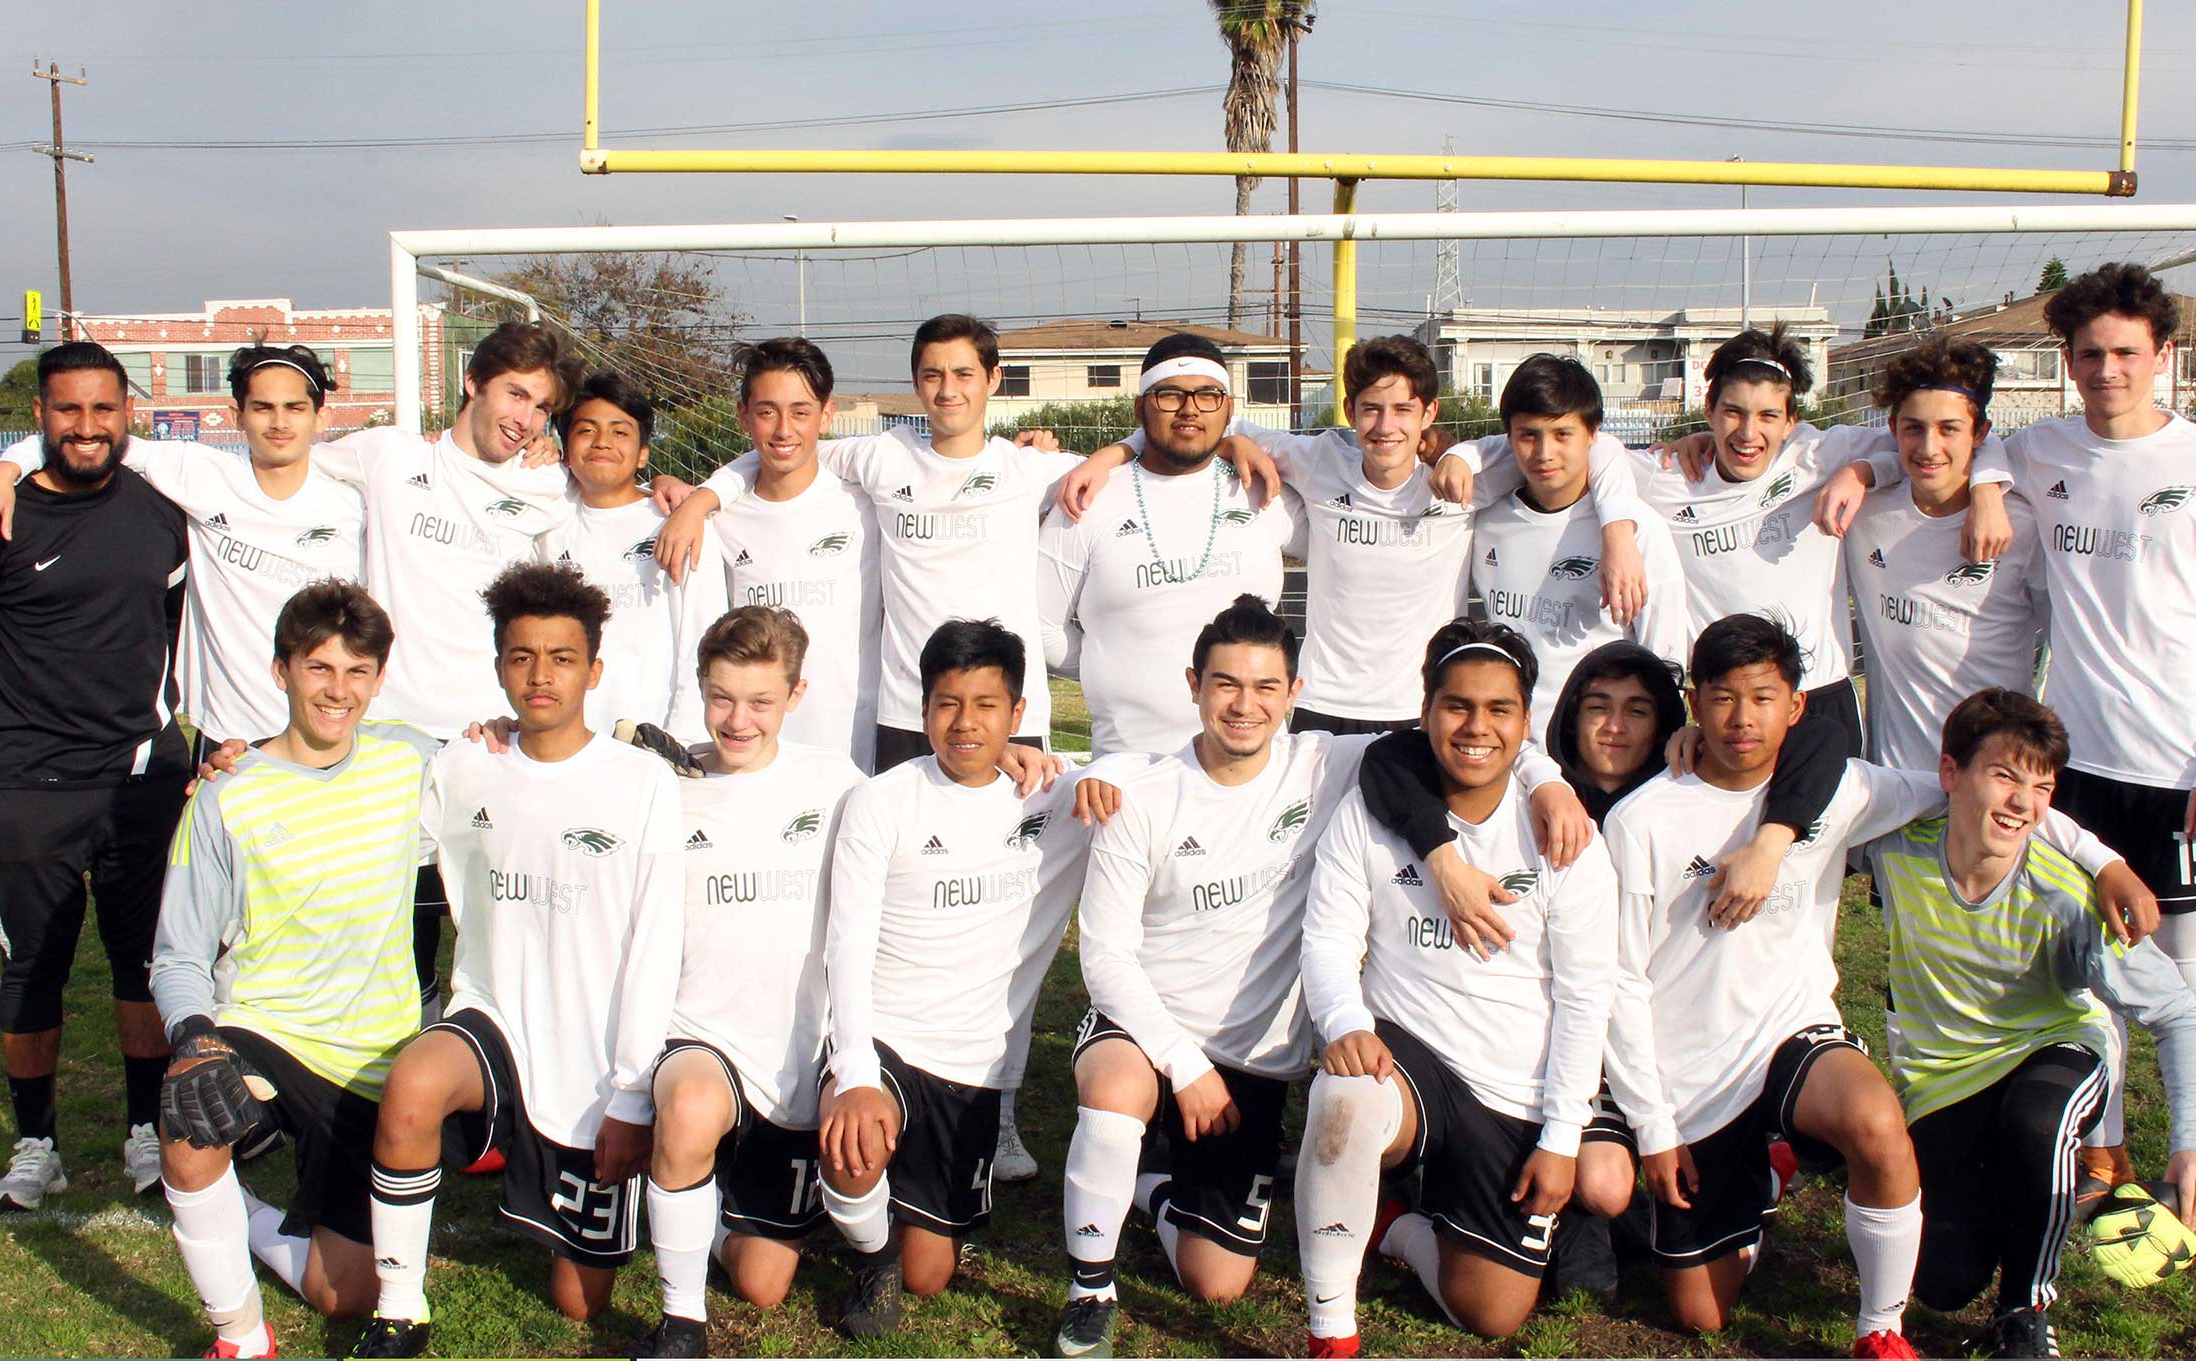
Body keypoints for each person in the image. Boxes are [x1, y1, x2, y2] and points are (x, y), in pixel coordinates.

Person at [1600, 614, 2146, 1361]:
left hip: (1790, 1031)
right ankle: (1767, 1179)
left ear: (1796, 706)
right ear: (1694, 702)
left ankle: (1880, 1333)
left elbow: (1985, 788)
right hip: (1689, 1071)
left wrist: (2105, 862)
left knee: (1876, 1121)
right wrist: (1654, 1125)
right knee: (1700, 1316)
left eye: (1763, 697)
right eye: (1721, 698)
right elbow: (1619, 982)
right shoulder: (1642, 820)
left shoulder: (1844, 788)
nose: (1741, 719)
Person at [1055, 596, 1587, 1357]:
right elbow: (1103, 959)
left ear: (1294, 694)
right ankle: (1089, 1292)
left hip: (1252, 1062)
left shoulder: (1325, 764)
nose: (1245, 705)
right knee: (1114, 1093)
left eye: (1266, 687)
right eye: (1226, 685)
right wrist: (1182, 1066)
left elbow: (1455, 736)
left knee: (1217, 1281)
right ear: (1193, 684)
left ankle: (1154, 1190)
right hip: (1150, 1034)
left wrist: (1546, 779)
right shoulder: (1139, 796)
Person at [655, 316, 1090, 1180]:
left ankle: (997, 1106)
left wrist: (1108, 459)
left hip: (1010, 716)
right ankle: (868, 1067)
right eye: (931, 374)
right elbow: (778, 454)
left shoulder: (1025, 466)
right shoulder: (880, 459)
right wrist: (706, 493)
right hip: (904, 716)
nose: (947, 390)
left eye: (964, 374)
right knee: (891, 911)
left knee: (1002, 915)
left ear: (994, 381)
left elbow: (1125, 458)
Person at [1355, 639, 1850, 1305]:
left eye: (1638, 711)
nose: (1614, 726)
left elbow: (1818, 734)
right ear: (1568, 716)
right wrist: (1537, 791)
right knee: (1600, 1185)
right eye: (1598, 706)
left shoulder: (1677, 793)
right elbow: (1391, 757)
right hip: (1546, 1047)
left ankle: (1749, 1174)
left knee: (1620, 1200)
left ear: (1668, 724)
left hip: (1655, 1046)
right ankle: (1507, 1214)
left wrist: (1775, 834)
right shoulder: (1538, 791)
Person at [353, 562, 683, 1358]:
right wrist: (241, 760)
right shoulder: (462, 765)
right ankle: (399, 1310)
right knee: (412, 1084)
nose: (540, 676)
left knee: (580, 1303)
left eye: (562, 658)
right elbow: (365, 811)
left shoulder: (642, 783)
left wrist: (634, 1096)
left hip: (598, 1062)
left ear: (594, 671)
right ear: (498, 665)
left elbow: (657, 945)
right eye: (521, 656)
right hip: (492, 1018)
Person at [1879, 689, 2196, 1361]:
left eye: (2040, 786)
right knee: (1943, 1284)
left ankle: (2026, 1312)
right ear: (1950, 774)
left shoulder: (2067, 894)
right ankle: (2016, 1201)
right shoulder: (1893, 850)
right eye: (2005, 776)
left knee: (2038, 1120)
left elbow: (2177, 1014)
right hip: (1942, 1083)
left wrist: (2195, 1145)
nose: (2022, 802)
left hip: (2056, 1052)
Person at [1436, 324, 2014, 749]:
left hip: (1818, 697)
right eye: (1733, 412)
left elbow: (1935, 448)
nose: (1748, 431)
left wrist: (1886, 475)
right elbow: (1584, 448)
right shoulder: (1667, 477)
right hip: (1722, 706)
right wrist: (1463, 452)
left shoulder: (1820, 455)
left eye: (1768, 416)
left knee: (1816, 881)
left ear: (1792, 422)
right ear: (1707, 409)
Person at [2000, 264, 2196, 1197]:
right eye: (2088, 354)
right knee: (2093, 965)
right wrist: (1991, 492)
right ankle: (2104, 1149)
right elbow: (1964, 456)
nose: (2106, 370)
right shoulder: (2037, 452)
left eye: (2124, 353)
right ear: (2066, 360)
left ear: (2163, 357)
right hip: (2080, 764)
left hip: (2186, 765)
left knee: (2195, 967)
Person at [1062, 334, 1653, 734]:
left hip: (1421, 711)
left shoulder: (1474, 472)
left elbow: (1593, 445)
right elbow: (1198, 422)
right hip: (1319, 709)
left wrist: (1620, 535)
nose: (1385, 426)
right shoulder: (1320, 462)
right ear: (1349, 409)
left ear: (1428, 414)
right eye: (1371, 409)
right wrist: (1116, 452)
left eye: (1402, 410)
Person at [1296, 621, 1618, 1356]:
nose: (1476, 727)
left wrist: (1563, 1136)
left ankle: (1404, 1229)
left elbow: (1584, 996)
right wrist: (1345, 1020)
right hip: (1406, 1064)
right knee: (1345, 1094)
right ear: (1426, 711)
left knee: (1493, 1313)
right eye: (1456, 706)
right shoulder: (1372, 808)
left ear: (1527, 723)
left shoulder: (1564, 838)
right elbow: (1329, 939)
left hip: (1508, 1095)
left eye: (1498, 709)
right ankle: (1329, 1334)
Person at [148, 582, 434, 1357]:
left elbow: (510, 776)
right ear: (281, 671)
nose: (337, 691)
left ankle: (238, 1208)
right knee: (188, 1116)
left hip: (377, 1059)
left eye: (357, 672)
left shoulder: (413, 762)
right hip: (267, 1030)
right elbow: (176, 954)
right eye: (318, 668)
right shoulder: (225, 794)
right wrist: (195, 1037)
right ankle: (240, 1339)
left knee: (344, 1293)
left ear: (378, 679)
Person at [0, 341, 189, 1211]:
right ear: (40, 417)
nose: (86, 428)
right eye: (67, 411)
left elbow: (173, 627)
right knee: (33, 969)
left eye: (102, 410)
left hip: (144, 780)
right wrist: (21, 710)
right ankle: (35, 1143)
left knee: (144, 966)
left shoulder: (164, 511)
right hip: (31, 785)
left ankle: (145, 1133)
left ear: (128, 414)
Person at [818, 619, 1118, 1338]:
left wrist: (1079, 768)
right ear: (922, 709)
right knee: (856, 1149)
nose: (965, 723)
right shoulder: (879, 803)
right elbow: (847, 945)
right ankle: (871, 1254)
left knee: (935, 1277)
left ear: (1019, 715)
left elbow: (1156, 774)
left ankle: (905, 1227)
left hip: (973, 1068)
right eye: (947, 703)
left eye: (987, 705)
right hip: (885, 1042)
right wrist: (854, 1070)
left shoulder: (1058, 800)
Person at [306, 321, 583, 1022]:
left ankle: (492, 1065)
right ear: (472, 383)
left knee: (496, 916)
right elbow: (271, 458)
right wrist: (15, 458)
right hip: (393, 732)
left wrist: (679, 487)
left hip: (488, 737)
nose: (525, 418)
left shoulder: (546, 491)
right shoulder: (388, 456)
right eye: (515, 394)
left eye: (542, 406)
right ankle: (398, 1054)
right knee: (398, 920)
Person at [634, 606, 868, 1359]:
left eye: (760, 701)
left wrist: (1025, 764)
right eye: (721, 697)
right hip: (696, 1035)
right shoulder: (660, 786)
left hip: (791, 1059)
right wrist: (501, 734)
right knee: (696, 1104)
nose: (738, 720)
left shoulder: (835, 782)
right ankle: (680, 1321)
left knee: (765, 1281)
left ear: (795, 697)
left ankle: (678, 1196)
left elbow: (933, 803)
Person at [0, 343, 366, 756]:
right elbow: (89, 438)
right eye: (262, 407)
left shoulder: (356, 500)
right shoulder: (201, 474)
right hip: (231, 741)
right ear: (236, 416)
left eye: (295, 408)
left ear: (322, 416)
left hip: (333, 732)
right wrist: (4, 469)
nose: (279, 422)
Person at [1035, 337, 1305, 756]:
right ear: (1140, 408)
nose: (1190, 408)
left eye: (1208, 395)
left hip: (1253, 772)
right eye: (1169, 395)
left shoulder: (1264, 492)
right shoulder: (1088, 498)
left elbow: (1354, 536)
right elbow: (1044, 626)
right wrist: (1106, 668)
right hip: (1130, 768)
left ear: (1229, 409)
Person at [1840, 336, 2049, 772]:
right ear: (1893, 428)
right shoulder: (1865, 512)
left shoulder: (2023, 526)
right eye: (1914, 427)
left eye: (1949, 429)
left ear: (1981, 434)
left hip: (1994, 782)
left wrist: (1987, 488)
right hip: (1895, 784)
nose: (1929, 447)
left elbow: (2067, 641)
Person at [1471, 354, 1685, 732]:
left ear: (1593, 433)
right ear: (1509, 437)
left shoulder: (1638, 530)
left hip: (1598, 746)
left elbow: (1666, 658)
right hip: (1506, 741)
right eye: (1528, 435)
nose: (1544, 453)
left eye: (1562, 435)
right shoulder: (1486, 520)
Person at [698, 339, 881, 770]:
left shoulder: (867, 505)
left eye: (800, 412)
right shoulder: (718, 516)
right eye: (767, 411)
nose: (784, 430)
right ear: (743, 415)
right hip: (753, 745)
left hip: (853, 749)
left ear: (827, 414)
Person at [543, 372, 725, 736]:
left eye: (620, 432)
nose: (602, 443)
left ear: (643, 454)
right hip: (566, 742)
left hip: (658, 738)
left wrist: (683, 739)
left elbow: (703, 640)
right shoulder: (547, 522)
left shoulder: (679, 521)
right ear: (564, 449)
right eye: (586, 430)